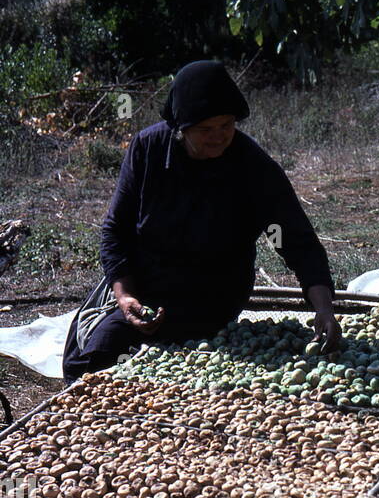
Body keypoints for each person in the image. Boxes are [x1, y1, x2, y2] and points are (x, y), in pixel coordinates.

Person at [63, 60, 340, 381]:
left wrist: (324, 309)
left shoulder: (251, 165)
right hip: (149, 290)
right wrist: (125, 296)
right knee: (94, 361)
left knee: (195, 363)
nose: (219, 137)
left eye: (226, 125)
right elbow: (116, 229)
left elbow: (295, 239)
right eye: (206, 129)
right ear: (181, 128)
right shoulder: (148, 149)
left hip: (214, 296)